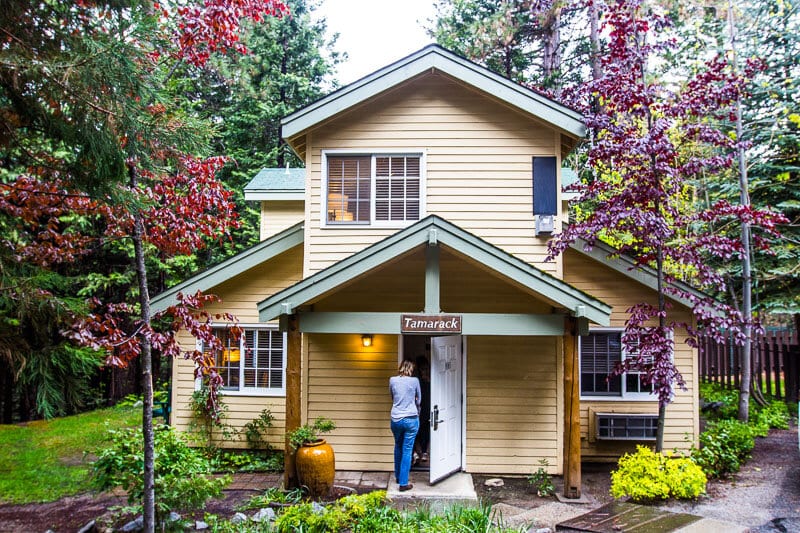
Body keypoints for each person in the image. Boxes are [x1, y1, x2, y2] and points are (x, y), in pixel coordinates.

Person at [389, 359, 421, 491]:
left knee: (398, 446)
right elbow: (419, 400)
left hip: (396, 419)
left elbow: (392, 396)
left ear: (401, 367)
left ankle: (398, 476)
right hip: (411, 419)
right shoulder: (414, 381)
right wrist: (416, 408)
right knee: (407, 450)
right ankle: (403, 483)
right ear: (411, 369)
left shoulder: (392, 380)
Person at [413, 355, 430, 465]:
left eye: (426, 368)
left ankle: (424, 452)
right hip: (417, 407)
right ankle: (416, 453)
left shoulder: (431, 379)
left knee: (425, 430)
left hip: (427, 407)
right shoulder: (416, 380)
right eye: (422, 368)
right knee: (415, 431)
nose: (424, 370)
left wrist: (428, 380)